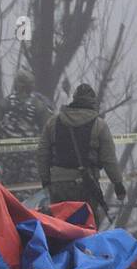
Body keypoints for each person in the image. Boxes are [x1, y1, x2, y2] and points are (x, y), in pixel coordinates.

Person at [37, 83, 125, 228]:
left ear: (74, 99)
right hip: (86, 185)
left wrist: (46, 180)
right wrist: (118, 184)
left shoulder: (53, 122)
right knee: (87, 227)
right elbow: (109, 159)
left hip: (59, 185)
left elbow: (42, 153)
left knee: (61, 227)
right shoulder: (99, 125)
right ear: (92, 102)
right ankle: (86, 251)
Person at [0, 70, 54, 183]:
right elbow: (47, 129)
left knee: (12, 186)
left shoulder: (7, 102)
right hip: (24, 156)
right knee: (25, 188)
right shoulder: (37, 104)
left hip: (13, 155)